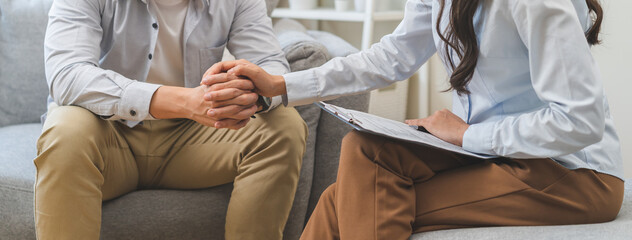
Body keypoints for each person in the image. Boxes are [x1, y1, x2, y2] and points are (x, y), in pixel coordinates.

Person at [202, 0, 625, 239]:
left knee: (346, 199)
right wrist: (281, 84)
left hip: (574, 174)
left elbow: (579, 122)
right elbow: (392, 56)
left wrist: (467, 134)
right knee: (364, 152)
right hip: (502, 156)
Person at [38, 0, 307, 239]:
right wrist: (185, 101)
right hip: (106, 135)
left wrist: (249, 94)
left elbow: (271, 66)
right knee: (66, 128)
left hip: (193, 141)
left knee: (284, 125)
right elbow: (67, 75)